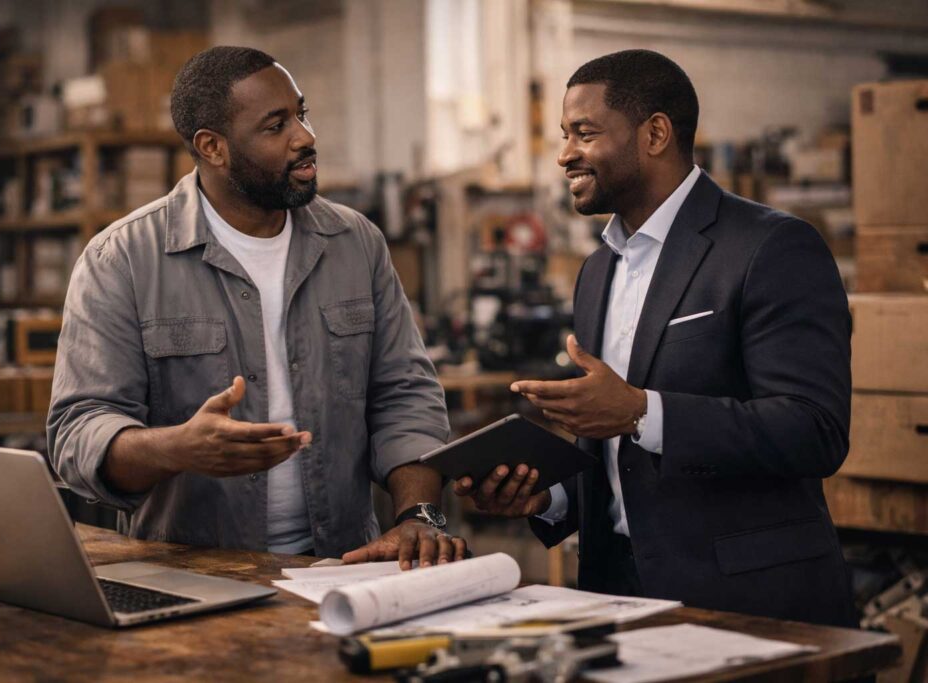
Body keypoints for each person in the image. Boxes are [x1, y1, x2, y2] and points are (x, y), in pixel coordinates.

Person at [455, 49, 856, 627]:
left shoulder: (772, 248)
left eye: (584, 133)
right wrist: (549, 497)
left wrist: (642, 413)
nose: (565, 154)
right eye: (563, 135)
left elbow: (814, 430)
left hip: (747, 601)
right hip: (617, 594)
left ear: (656, 133)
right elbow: (619, 462)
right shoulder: (598, 270)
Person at [48, 46, 465, 569]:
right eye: (276, 126)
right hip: (193, 574)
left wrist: (419, 514)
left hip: (343, 566)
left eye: (302, 113)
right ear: (213, 148)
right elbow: (78, 431)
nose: (306, 137)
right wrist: (177, 448)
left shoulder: (355, 243)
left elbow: (404, 394)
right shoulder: (123, 260)